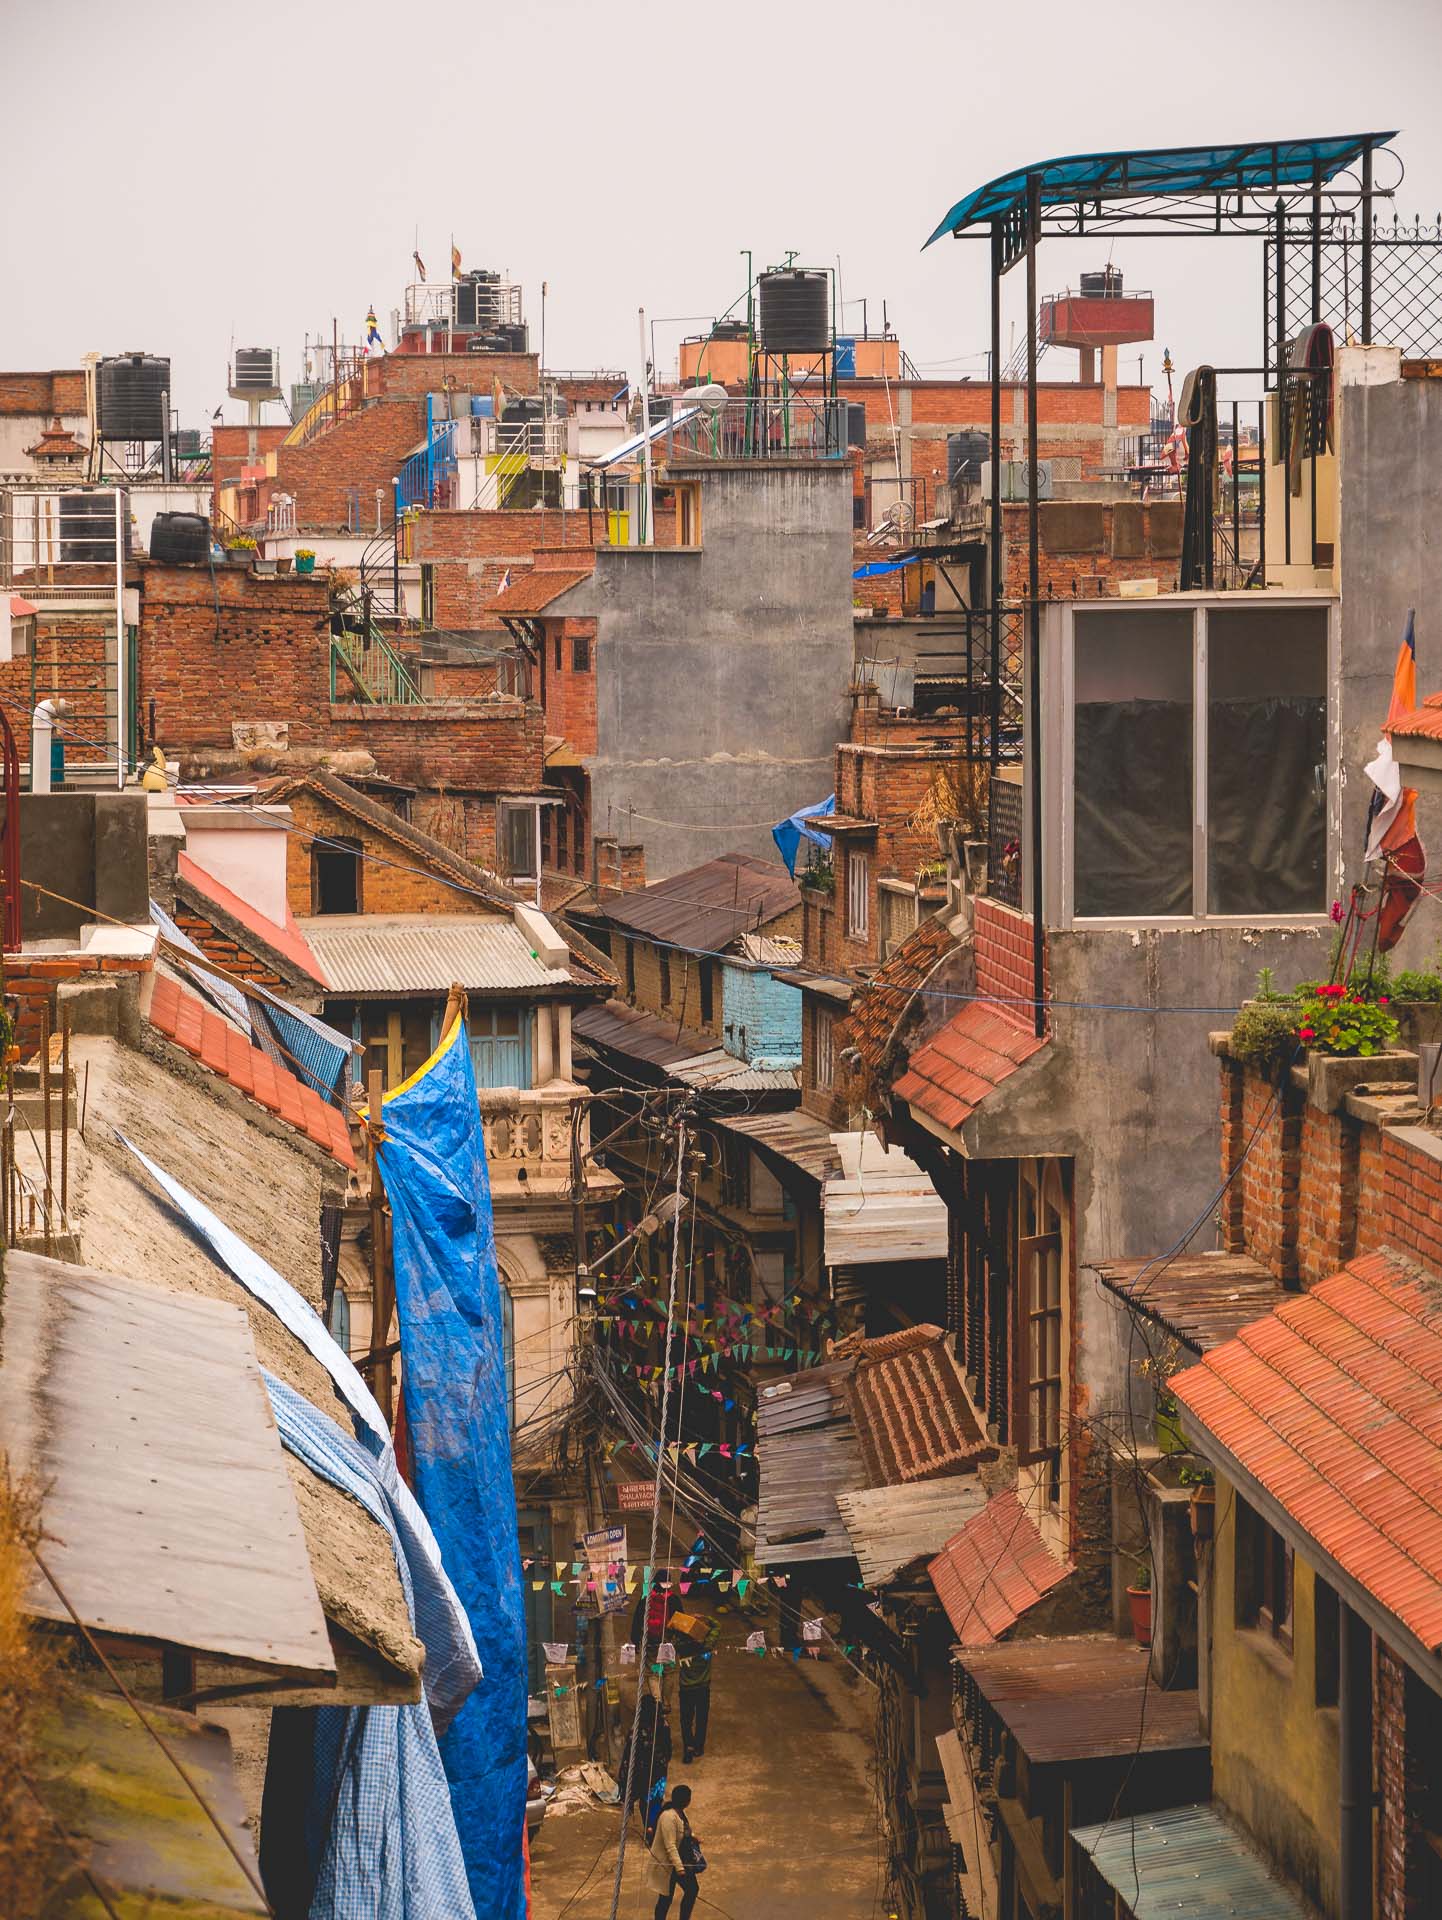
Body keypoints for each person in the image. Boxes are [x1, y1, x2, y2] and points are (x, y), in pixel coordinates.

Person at [617, 1691, 671, 1841]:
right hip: (659, 1772)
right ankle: (653, 1828)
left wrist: (624, 1775)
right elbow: (669, 1750)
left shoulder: (635, 1730)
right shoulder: (664, 1725)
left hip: (642, 1773)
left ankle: (650, 1827)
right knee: (656, 1801)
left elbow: (629, 1754)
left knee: (645, 1802)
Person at [646, 1784, 699, 1920]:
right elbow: (670, 1845)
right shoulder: (668, 1817)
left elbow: (682, 1831)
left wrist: (692, 1837)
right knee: (665, 1899)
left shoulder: (679, 1814)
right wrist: (679, 1868)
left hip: (680, 1861)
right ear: (686, 1800)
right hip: (669, 1865)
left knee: (692, 1889)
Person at [676, 1620, 718, 1763]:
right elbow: (717, 1626)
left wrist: (686, 1623)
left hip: (686, 1688)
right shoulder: (707, 1646)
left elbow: (672, 1631)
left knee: (686, 1720)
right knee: (702, 1718)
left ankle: (688, 1745)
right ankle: (698, 1747)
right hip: (702, 1688)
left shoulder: (681, 1646)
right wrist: (703, 1618)